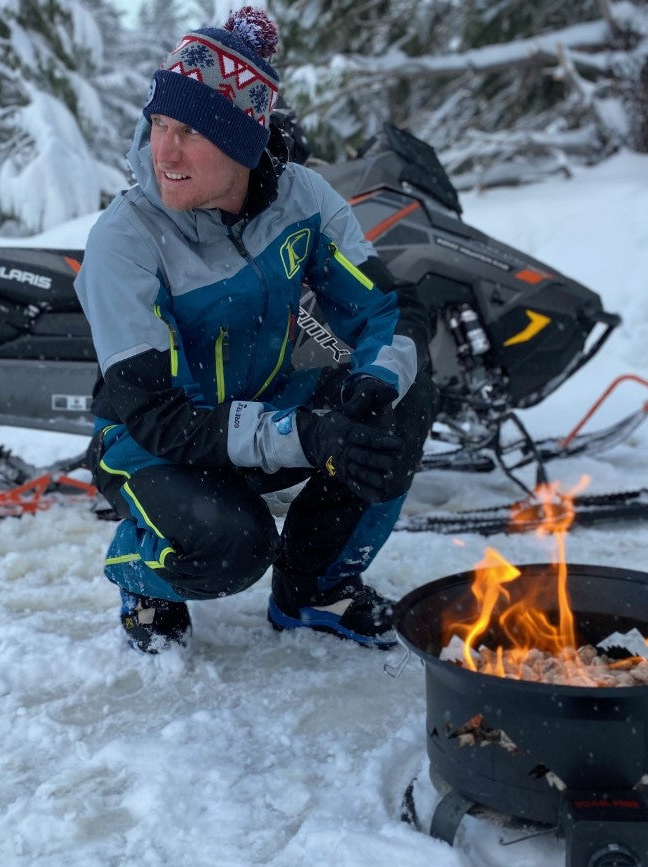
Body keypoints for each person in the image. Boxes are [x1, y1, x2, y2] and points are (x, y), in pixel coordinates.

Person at [75, 6, 435, 654]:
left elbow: (388, 309)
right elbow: (155, 415)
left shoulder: (305, 199)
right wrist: (308, 434)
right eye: (158, 124)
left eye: (187, 130)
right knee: (233, 546)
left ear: (243, 140)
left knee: (404, 399)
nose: (163, 150)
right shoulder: (125, 238)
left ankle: (314, 590)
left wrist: (374, 388)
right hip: (146, 440)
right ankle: (143, 576)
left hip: (256, 408)